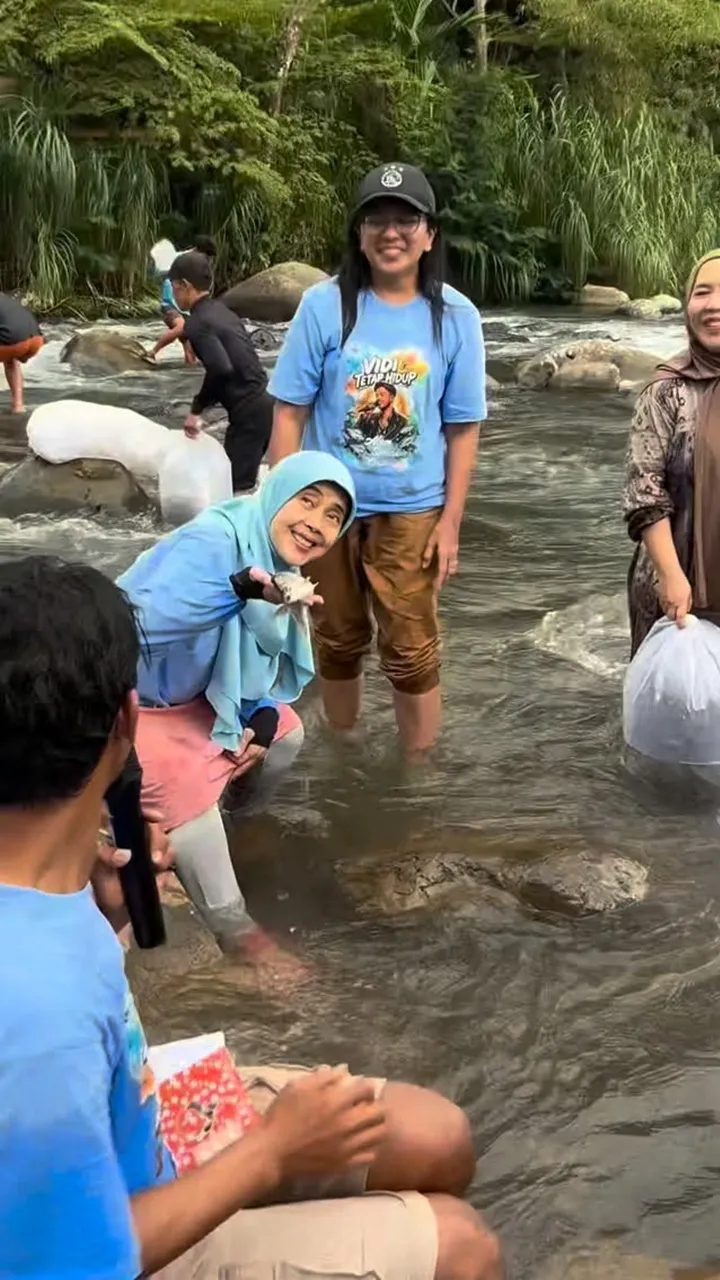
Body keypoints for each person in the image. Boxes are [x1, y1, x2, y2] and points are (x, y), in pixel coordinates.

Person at [0, 552, 502, 1280]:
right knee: (463, 1247)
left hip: (130, 1124)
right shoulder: (35, 1013)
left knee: (436, 1135)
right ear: (127, 722)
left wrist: (105, 915)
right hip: (100, 1235)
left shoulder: (44, 887)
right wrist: (271, 1155)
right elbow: (62, 1263)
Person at [268, 162, 487, 753]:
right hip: (326, 507)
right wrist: (278, 512)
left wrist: (451, 522)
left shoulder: (456, 317)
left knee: (412, 649)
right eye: (377, 220)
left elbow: (463, 429)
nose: (391, 233)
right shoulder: (323, 306)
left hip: (414, 510)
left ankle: (418, 775)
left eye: (406, 220)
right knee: (336, 638)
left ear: (429, 235)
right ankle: (344, 752)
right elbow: (289, 413)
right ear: (359, 235)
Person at [117, 451, 356, 978]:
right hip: (121, 703)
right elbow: (136, 630)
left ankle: (236, 823)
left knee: (285, 733)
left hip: (190, 700)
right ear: (277, 494)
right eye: (307, 501)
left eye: (333, 516)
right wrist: (238, 589)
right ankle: (238, 932)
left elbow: (243, 662)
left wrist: (262, 714)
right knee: (186, 791)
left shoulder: (271, 554)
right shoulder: (215, 540)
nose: (316, 524)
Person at [625, 249, 720, 656]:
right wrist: (671, 576)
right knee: (675, 693)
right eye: (702, 292)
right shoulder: (665, 392)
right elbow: (644, 495)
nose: (714, 305)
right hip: (676, 592)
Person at [168, 249, 273, 492]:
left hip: (249, 415)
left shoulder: (197, 322)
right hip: (267, 403)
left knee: (234, 491)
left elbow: (221, 368)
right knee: (243, 485)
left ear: (185, 285)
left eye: (173, 286)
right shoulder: (223, 312)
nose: (173, 293)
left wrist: (196, 410)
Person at [150, 235, 218, 365]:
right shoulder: (183, 259)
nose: (208, 259)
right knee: (181, 327)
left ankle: (189, 372)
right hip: (170, 304)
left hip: (186, 309)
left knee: (190, 353)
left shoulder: (195, 262)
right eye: (207, 256)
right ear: (199, 250)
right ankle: (153, 352)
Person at [0, 291, 44, 413]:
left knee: (8, 350)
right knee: (10, 360)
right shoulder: (4, 298)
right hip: (36, 339)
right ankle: (18, 406)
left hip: (13, 342)